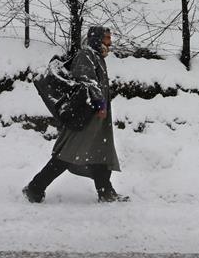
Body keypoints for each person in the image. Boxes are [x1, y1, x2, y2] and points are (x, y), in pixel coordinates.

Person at [23, 25, 128, 203]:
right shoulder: (85, 55)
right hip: (88, 114)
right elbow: (87, 81)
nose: (110, 42)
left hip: (97, 116)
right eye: (107, 38)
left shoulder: (96, 56)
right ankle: (35, 188)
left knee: (100, 152)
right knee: (68, 153)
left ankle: (105, 191)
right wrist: (101, 104)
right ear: (97, 39)